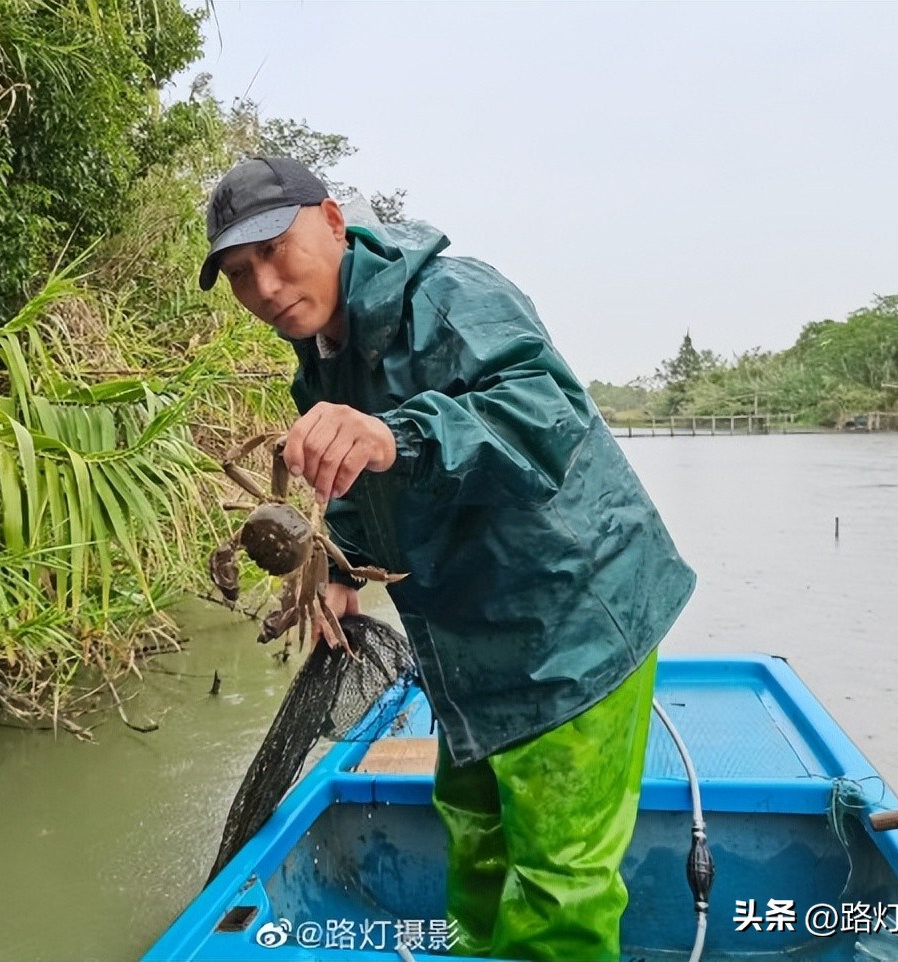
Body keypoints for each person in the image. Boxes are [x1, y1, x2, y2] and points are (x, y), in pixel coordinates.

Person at [199, 155, 696, 962]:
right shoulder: (322, 360)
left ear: (331, 220)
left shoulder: (448, 295)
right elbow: (361, 495)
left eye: (275, 251)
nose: (263, 287)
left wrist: (396, 432)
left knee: (557, 890)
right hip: (467, 636)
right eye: (239, 272)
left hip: (572, 619)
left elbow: (546, 408)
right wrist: (339, 570)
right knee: (472, 826)